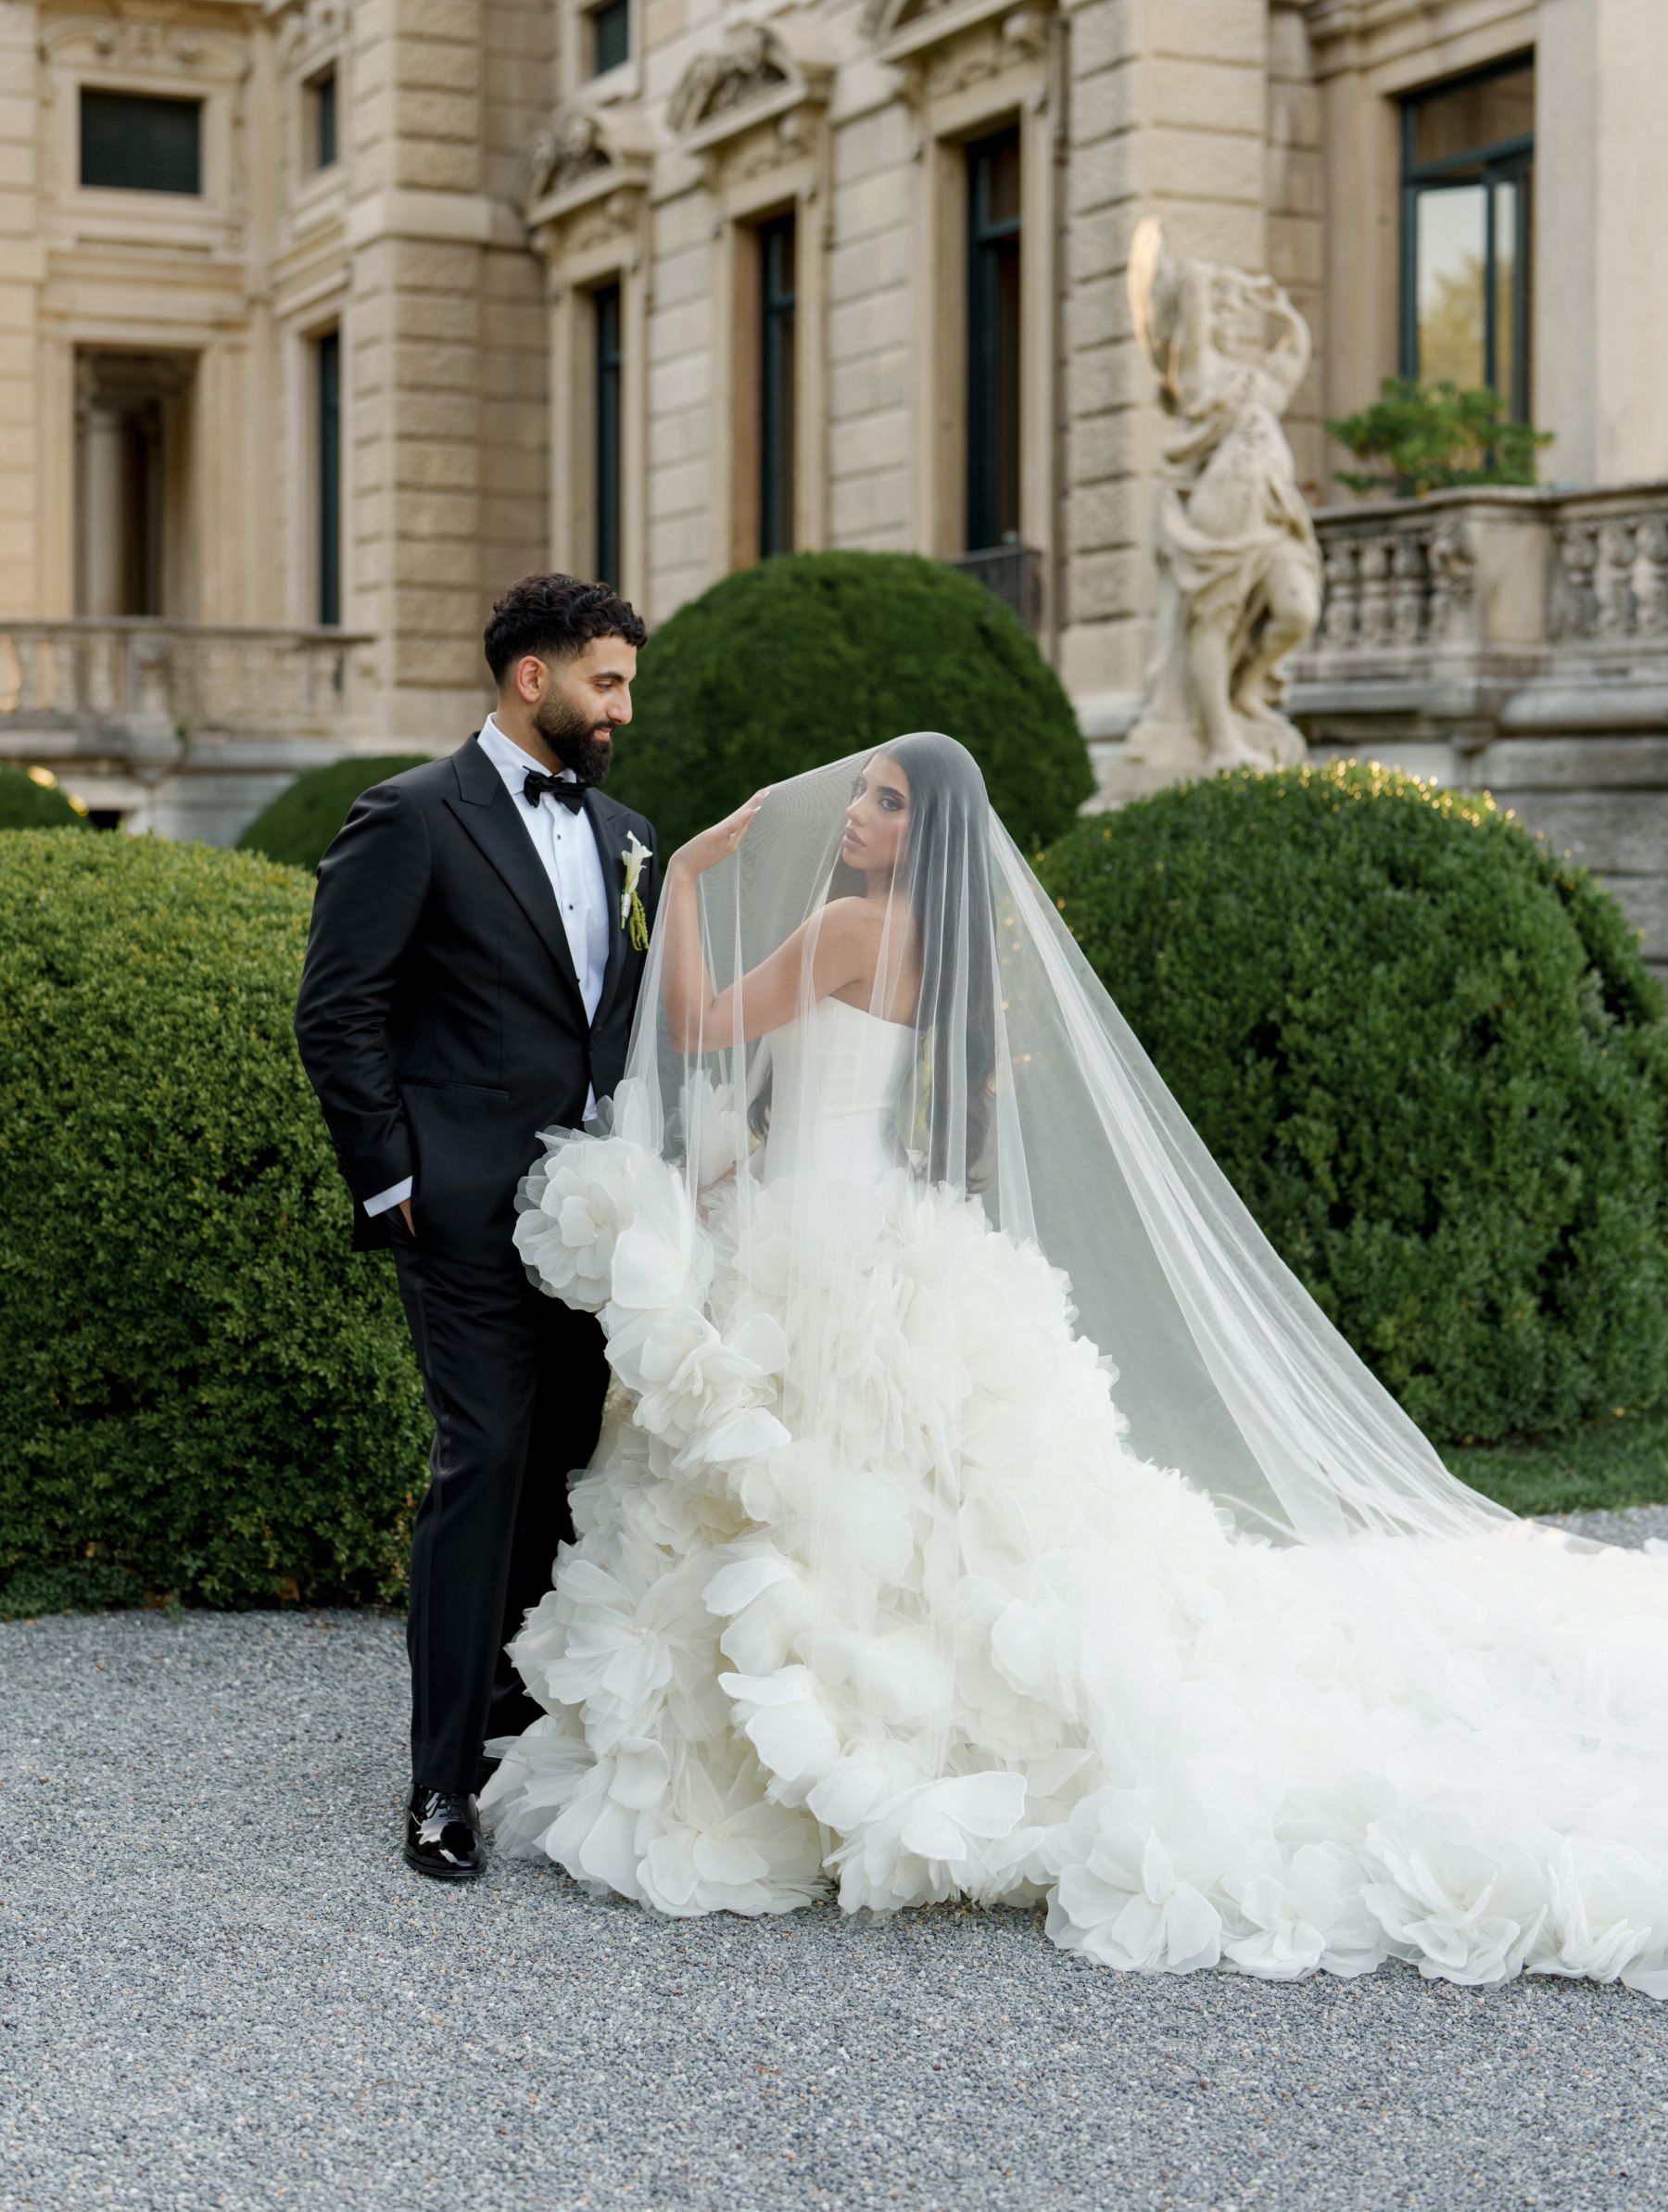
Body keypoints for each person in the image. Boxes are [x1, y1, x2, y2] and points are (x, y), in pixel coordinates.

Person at [484, 731, 1668, 1994]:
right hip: (874, 1227)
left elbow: (708, 1021)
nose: (858, 816)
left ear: (922, 834)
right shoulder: (941, 947)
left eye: (884, 804)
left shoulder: (844, 929)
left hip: (807, 1251)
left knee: (808, 1491)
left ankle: (833, 1738)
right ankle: (896, 1725)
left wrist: (695, 877)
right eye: (866, 795)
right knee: (900, 1502)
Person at [295, 574, 657, 1881]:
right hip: (460, 1214)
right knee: (483, 1460)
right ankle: (440, 1785)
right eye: (605, 681)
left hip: (590, 1218)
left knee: (564, 1460)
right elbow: (338, 1011)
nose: (621, 706)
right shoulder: (410, 818)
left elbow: (630, 1026)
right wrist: (395, 1180)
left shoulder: (628, 836)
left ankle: (521, 1722)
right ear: (532, 678)